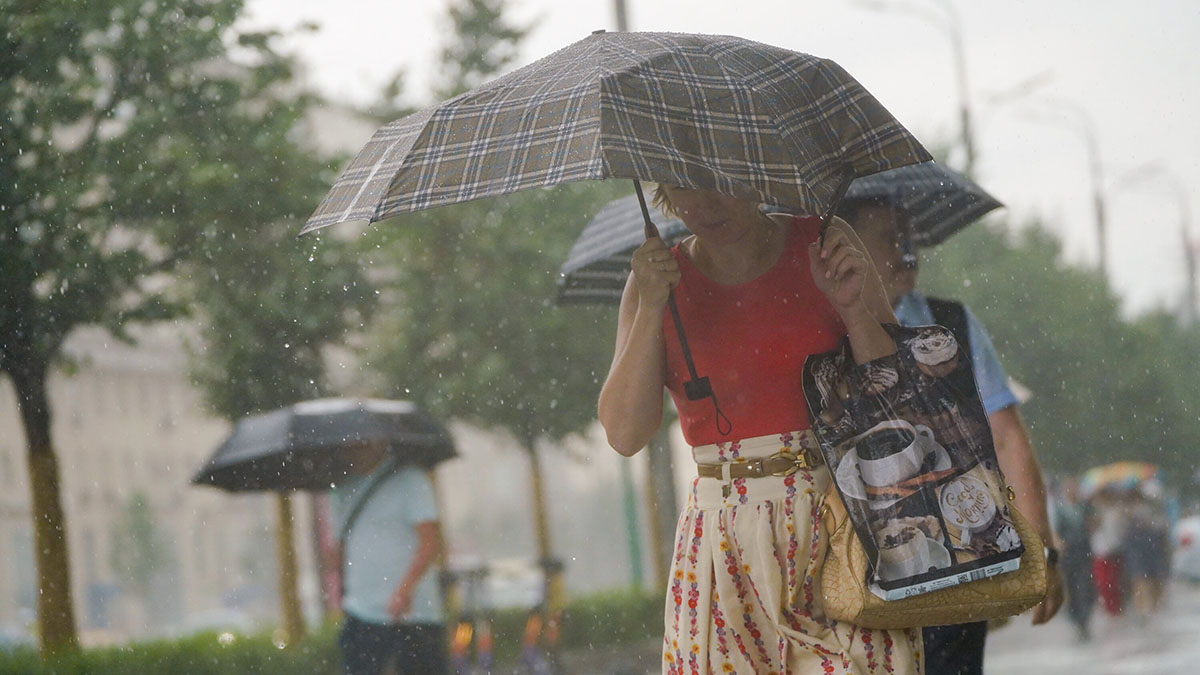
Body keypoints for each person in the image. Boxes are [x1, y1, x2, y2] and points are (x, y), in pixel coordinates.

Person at [598, 184, 923, 674]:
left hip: (838, 519)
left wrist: (853, 309)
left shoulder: (824, 242)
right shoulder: (655, 280)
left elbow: (901, 398)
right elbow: (625, 434)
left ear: (751, 169)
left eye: (717, 181)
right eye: (682, 185)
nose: (704, 203)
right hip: (721, 537)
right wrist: (649, 306)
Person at [840, 196, 1064, 674]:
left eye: (910, 237)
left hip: (957, 557)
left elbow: (1006, 436)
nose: (907, 252)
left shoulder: (951, 325)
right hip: (859, 570)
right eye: (889, 238)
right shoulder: (822, 333)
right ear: (847, 248)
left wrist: (1043, 550)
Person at [332, 441, 446, 675]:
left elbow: (431, 541)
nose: (352, 451)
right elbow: (342, 547)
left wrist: (405, 589)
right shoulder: (342, 487)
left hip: (412, 615)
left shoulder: (410, 480)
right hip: (360, 612)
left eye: (360, 444)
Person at [1052, 476, 1096, 640]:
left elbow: (1093, 524)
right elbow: (1056, 530)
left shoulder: (1085, 506)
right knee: (1071, 586)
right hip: (1068, 552)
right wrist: (1059, 546)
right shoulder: (1060, 508)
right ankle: (1076, 618)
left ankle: (1085, 618)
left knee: (1086, 586)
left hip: (1084, 550)